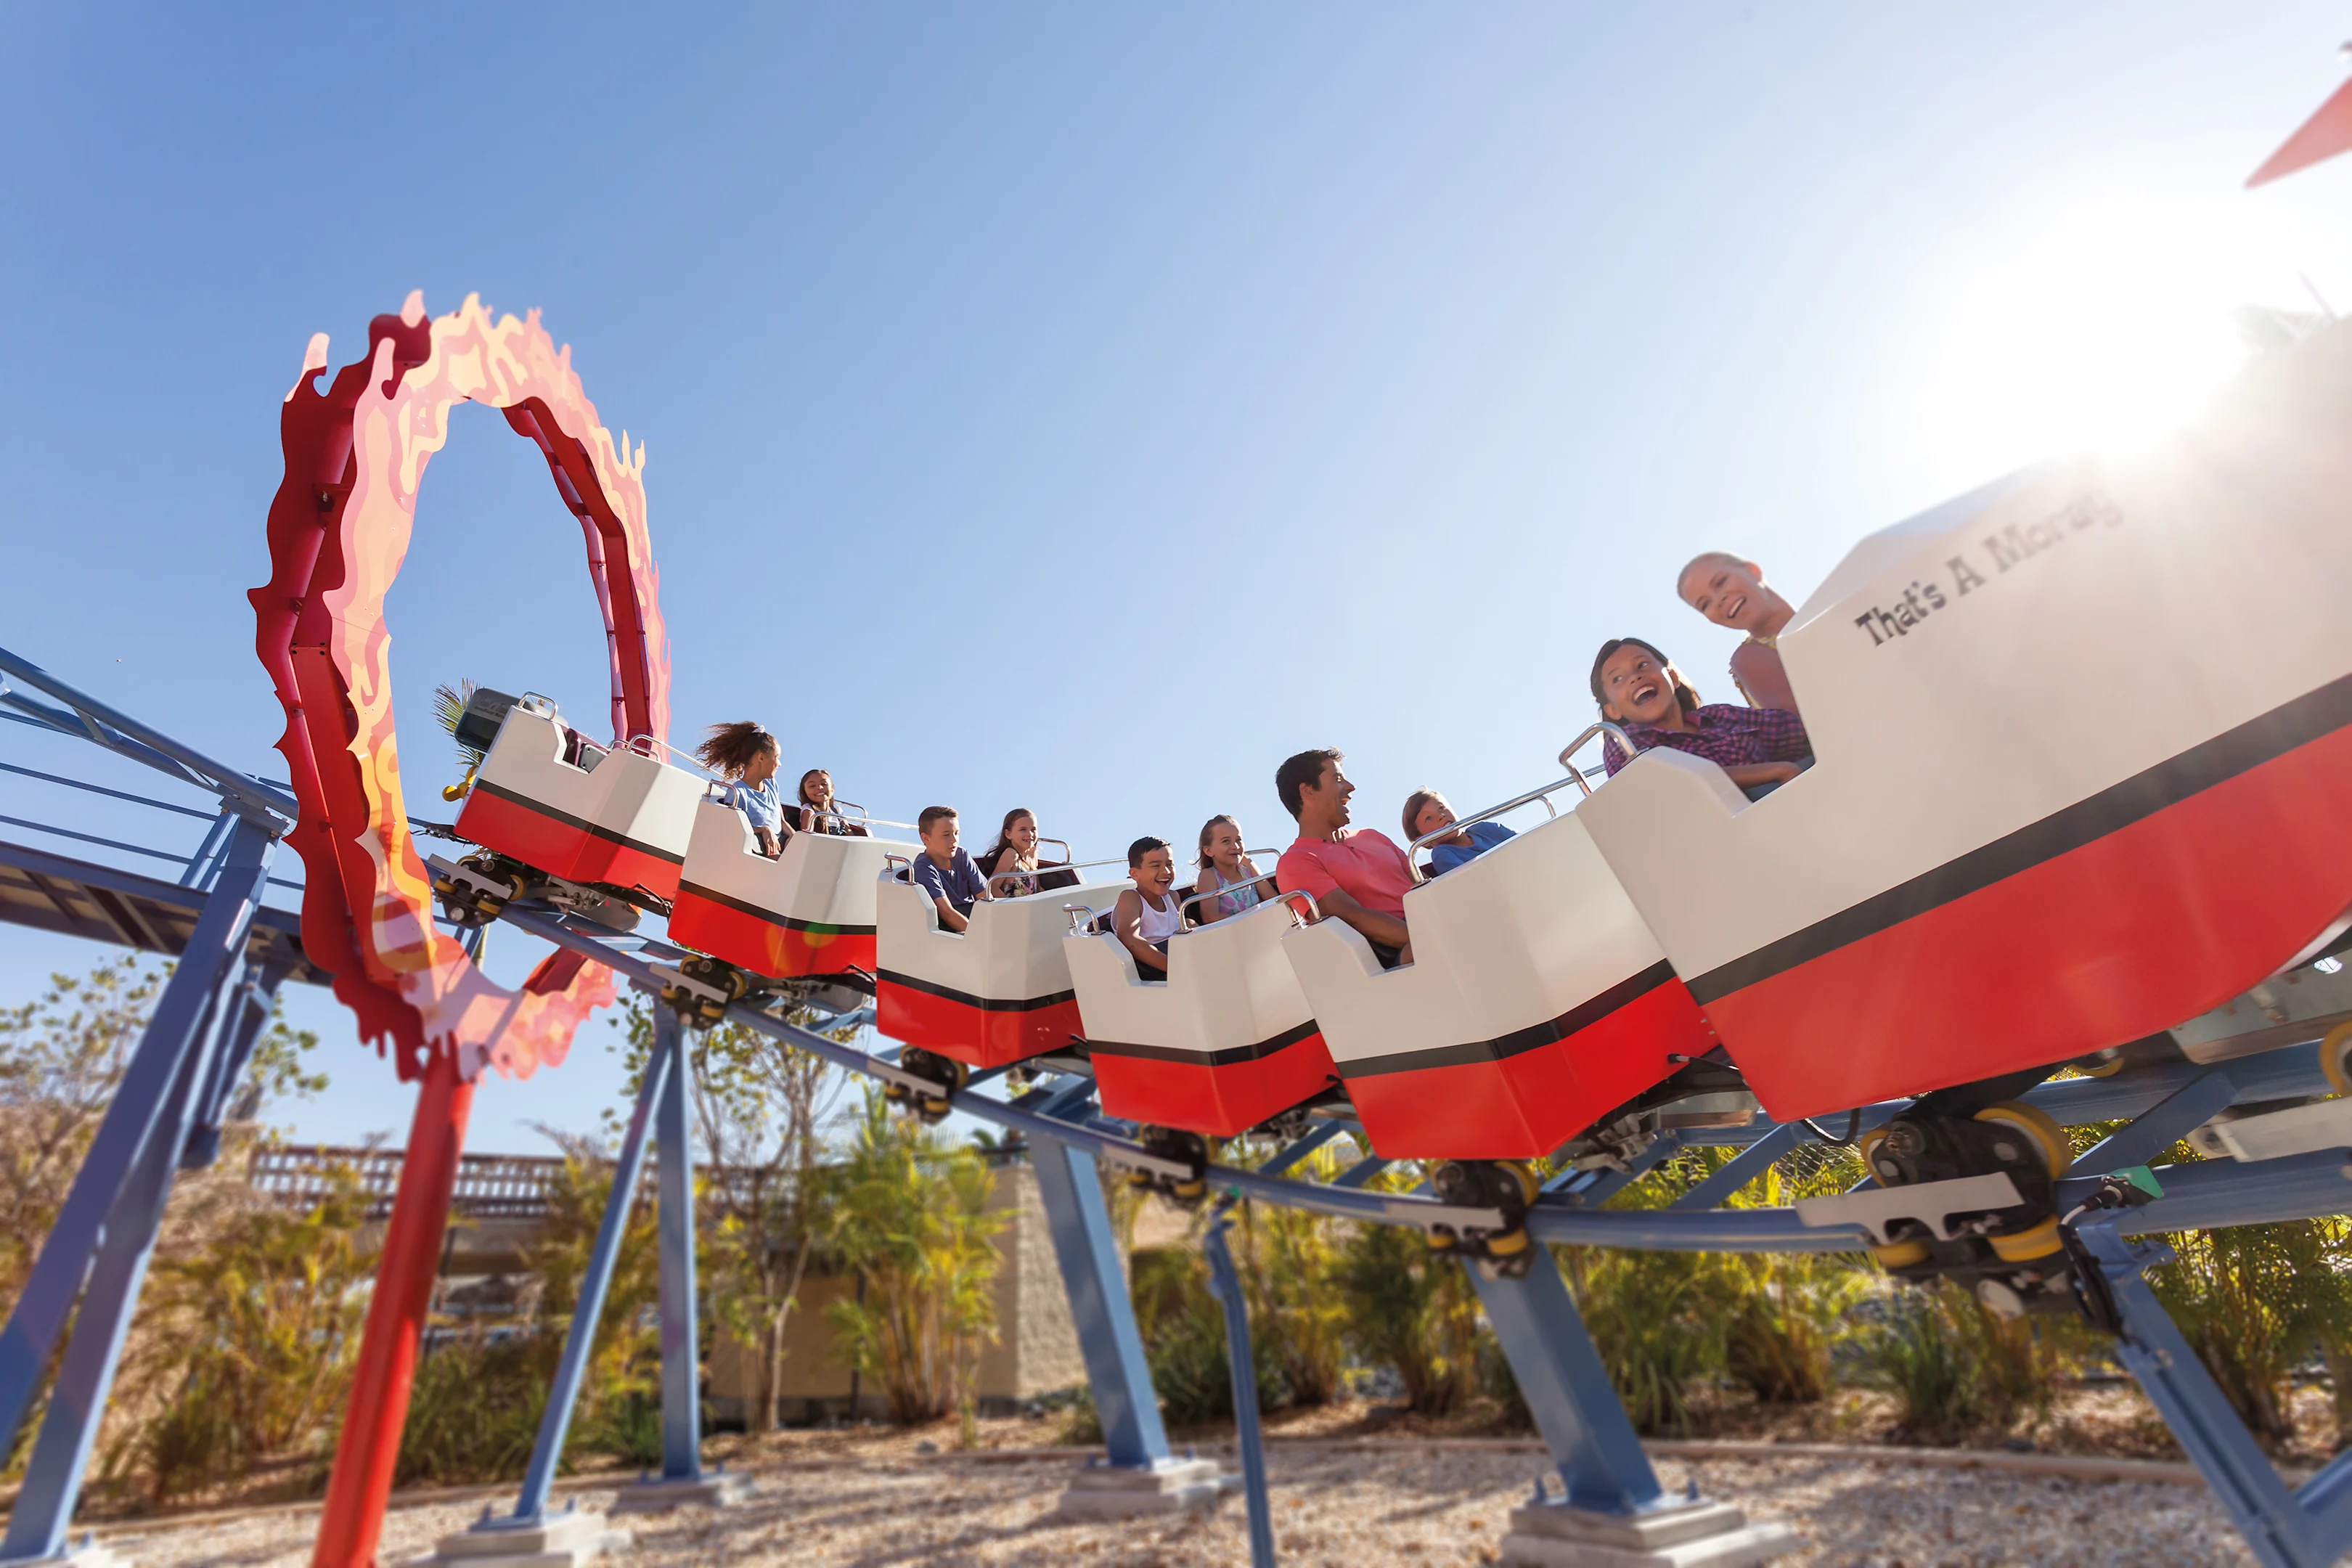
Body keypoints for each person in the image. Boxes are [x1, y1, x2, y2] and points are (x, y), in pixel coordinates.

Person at [1591, 637, 1810, 799]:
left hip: (1787, 797)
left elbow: (1799, 730)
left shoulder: (1719, 716)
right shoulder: (1623, 743)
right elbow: (1661, 788)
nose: (1635, 677)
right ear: (1613, 711)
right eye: (1618, 678)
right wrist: (1775, 771)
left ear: (1673, 677)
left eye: (1642, 665)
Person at [1273, 749, 1413, 968]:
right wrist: (1432, 934)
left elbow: (1424, 885)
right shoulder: (1296, 862)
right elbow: (1352, 917)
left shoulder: (1373, 836)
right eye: (1338, 779)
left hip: (1432, 921)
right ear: (1308, 791)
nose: (1350, 787)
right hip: (1400, 954)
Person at [1676, 551, 1801, 714]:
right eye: (1705, 604)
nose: (1719, 600)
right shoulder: (1750, 657)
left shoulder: (1830, 609)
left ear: (1753, 570)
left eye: (1721, 582)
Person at [695, 721, 789, 859]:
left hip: (780, 852)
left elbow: (781, 821)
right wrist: (763, 830)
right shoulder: (737, 793)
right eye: (777, 758)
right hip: (756, 857)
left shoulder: (772, 785)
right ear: (761, 757)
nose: (779, 764)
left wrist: (796, 837)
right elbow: (730, 831)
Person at [1111, 836, 1191, 979]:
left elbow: (1182, 929)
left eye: (1170, 864)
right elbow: (1130, 939)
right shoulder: (1131, 898)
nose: (1166, 871)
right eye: (1155, 866)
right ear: (1135, 874)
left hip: (1179, 953)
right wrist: (1174, 967)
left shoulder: (1172, 897)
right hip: (1152, 965)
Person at [910, 806, 989, 932]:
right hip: (951, 930)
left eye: (956, 833)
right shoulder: (923, 868)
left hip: (973, 919)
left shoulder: (962, 855)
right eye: (946, 835)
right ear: (926, 839)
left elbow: (985, 898)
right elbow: (947, 913)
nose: (954, 840)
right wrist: (979, 935)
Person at [1402, 789, 1514, 876]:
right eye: (1429, 818)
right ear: (1423, 840)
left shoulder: (1485, 829)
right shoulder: (1443, 853)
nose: (1441, 816)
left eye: (1441, 808)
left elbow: (1525, 844)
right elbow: (1467, 883)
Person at [1191, 814, 1273, 923]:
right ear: (1208, 851)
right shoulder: (1209, 875)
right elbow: (1211, 918)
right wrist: (1249, 921)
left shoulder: (1246, 865)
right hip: (1233, 934)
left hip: (1264, 925)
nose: (1235, 846)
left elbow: (1272, 898)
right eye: (1226, 841)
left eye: (1238, 840)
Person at [976, 807, 1069, 898]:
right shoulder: (1011, 854)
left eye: (1033, 829)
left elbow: (1036, 887)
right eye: (1023, 829)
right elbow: (992, 887)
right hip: (1013, 908)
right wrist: (1009, 907)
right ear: (1008, 834)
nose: (1030, 834)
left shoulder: (1032, 854)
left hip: (1031, 907)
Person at [797, 769, 870, 836]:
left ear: (832, 789)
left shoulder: (837, 810)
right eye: (812, 786)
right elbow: (806, 836)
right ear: (805, 792)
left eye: (824, 784)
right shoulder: (809, 809)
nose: (819, 787)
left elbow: (849, 832)